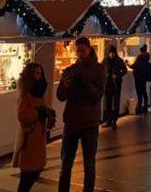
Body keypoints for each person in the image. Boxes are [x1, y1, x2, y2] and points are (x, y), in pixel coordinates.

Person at [57, 37, 106, 192]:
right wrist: (65, 84)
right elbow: (60, 96)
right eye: (77, 51)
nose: (79, 54)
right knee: (66, 162)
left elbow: (98, 94)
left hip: (89, 122)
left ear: (89, 49)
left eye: (82, 51)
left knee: (89, 163)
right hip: (71, 121)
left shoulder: (99, 69)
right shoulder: (71, 69)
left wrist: (84, 82)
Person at [12, 63, 55, 192]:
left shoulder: (38, 91)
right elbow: (22, 115)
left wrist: (45, 112)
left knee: (34, 171)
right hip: (29, 138)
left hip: (37, 137)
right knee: (28, 175)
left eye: (40, 73)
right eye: (36, 73)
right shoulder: (26, 93)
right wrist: (39, 113)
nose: (39, 76)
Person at [102, 45, 127, 128]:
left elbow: (125, 70)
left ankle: (114, 121)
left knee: (116, 102)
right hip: (108, 84)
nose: (111, 54)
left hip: (116, 84)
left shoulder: (119, 60)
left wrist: (117, 75)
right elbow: (101, 68)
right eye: (110, 53)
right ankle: (109, 120)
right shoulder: (105, 60)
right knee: (108, 102)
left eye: (113, 53)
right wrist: (105, 75)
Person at [131, 44, 151, 114]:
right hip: (144, 77)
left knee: (139, 93)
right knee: (144, 91)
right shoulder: (147, 57)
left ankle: (139, 108)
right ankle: (145, 107)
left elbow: (134, 66)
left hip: (138, 77)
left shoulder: (140, 57)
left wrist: (127, 64)